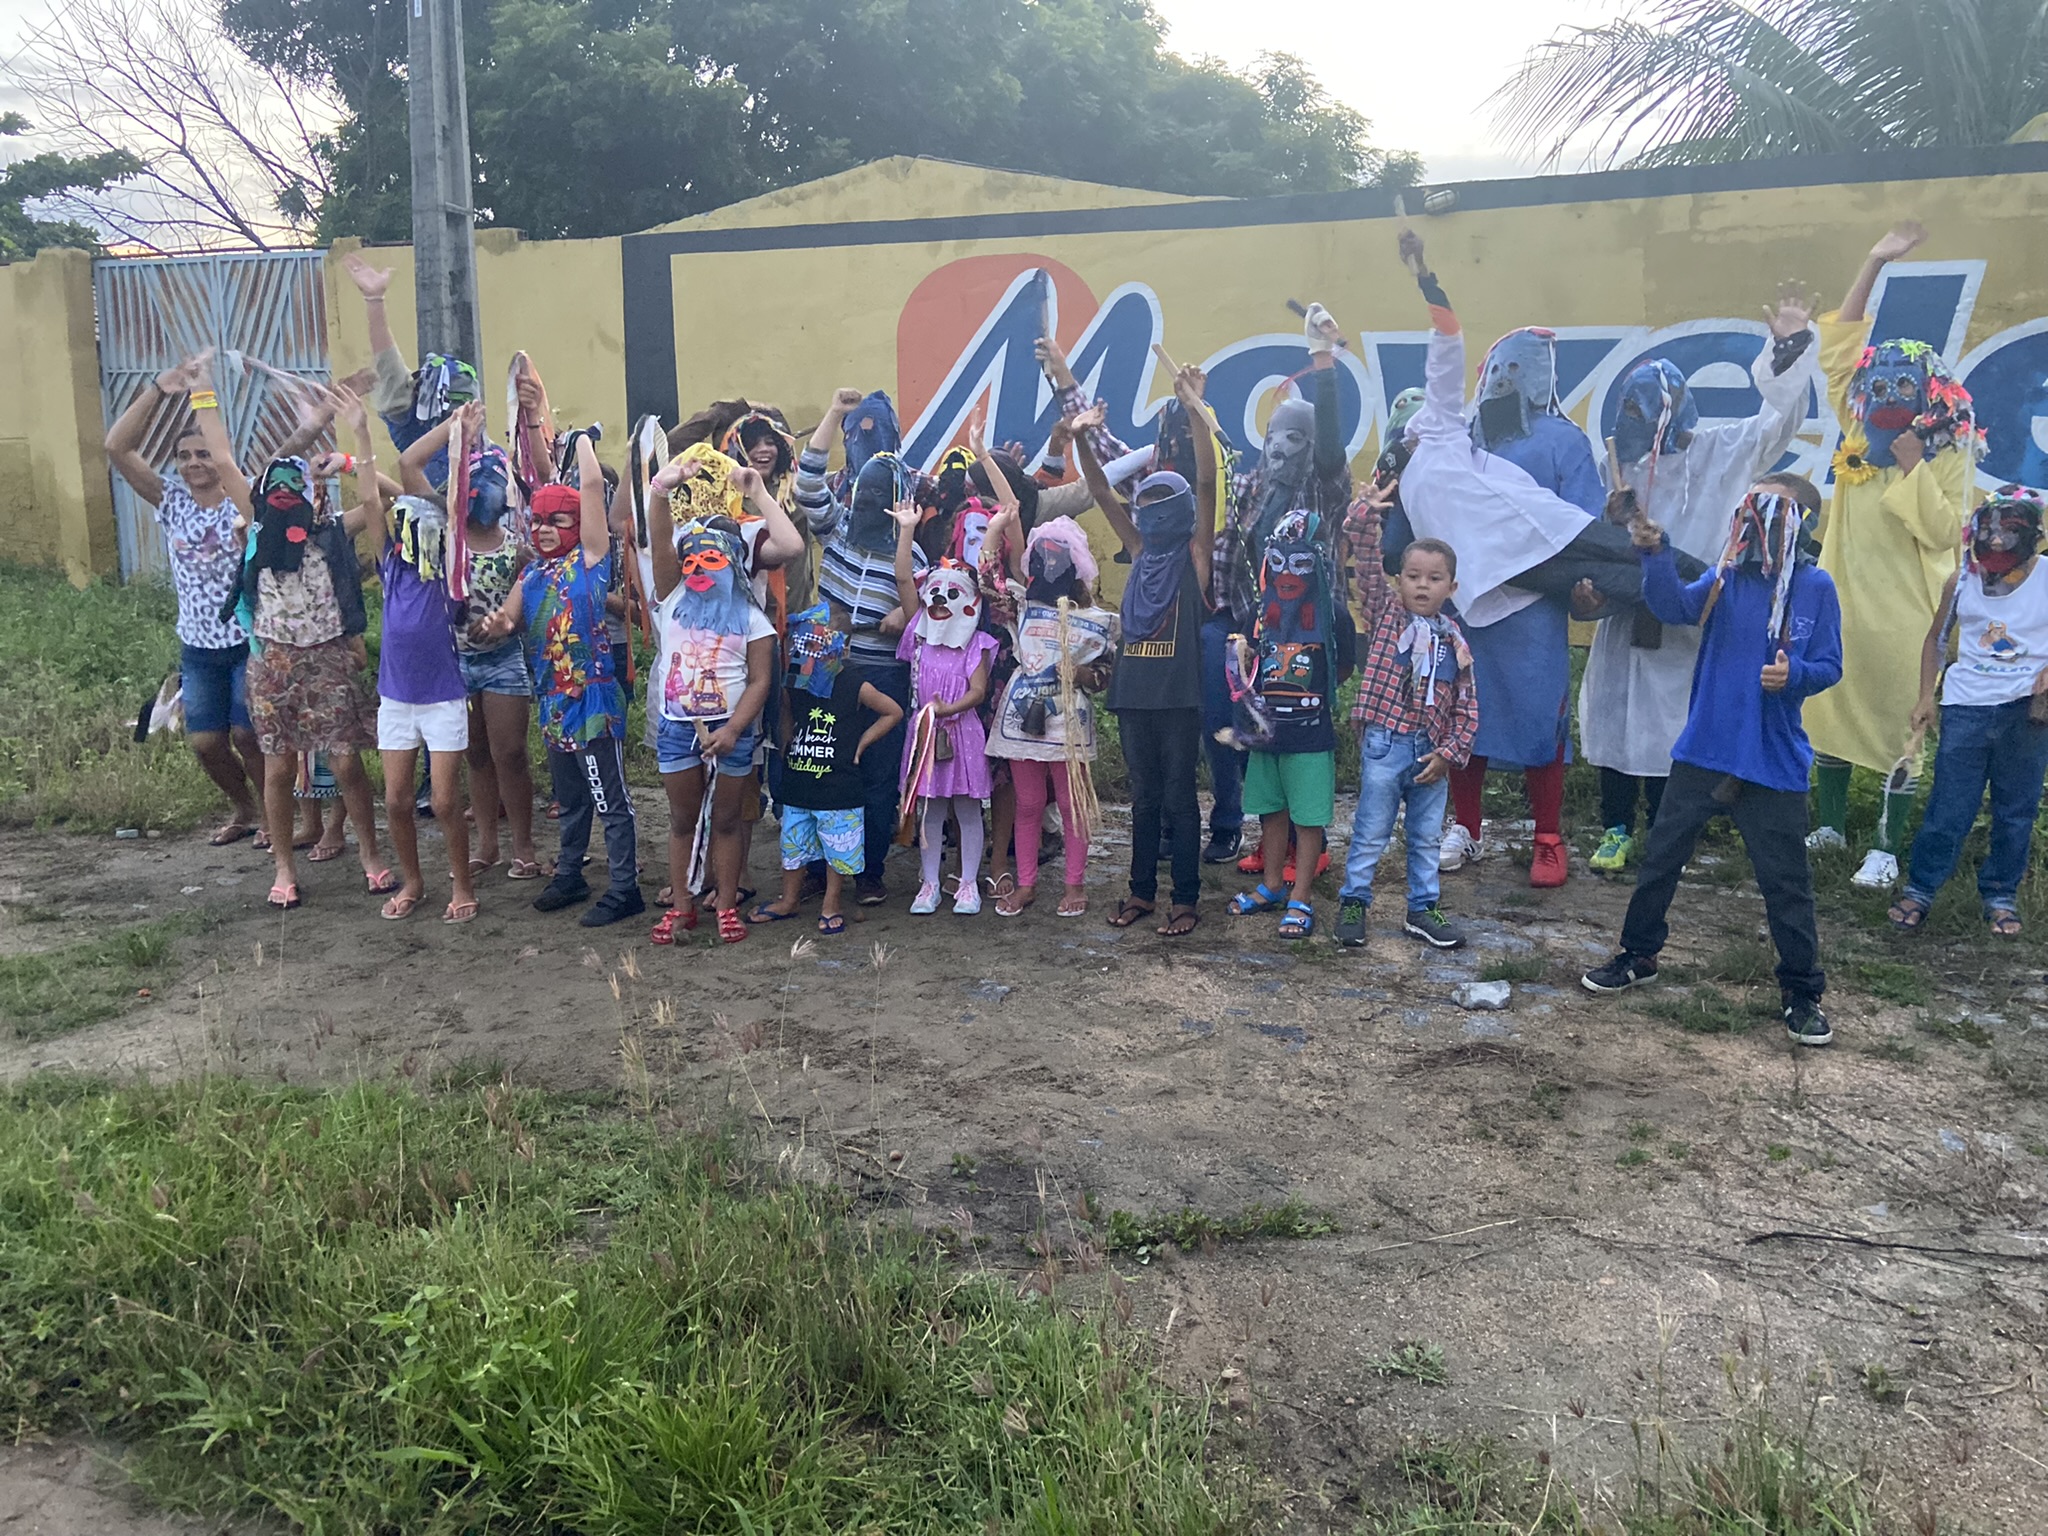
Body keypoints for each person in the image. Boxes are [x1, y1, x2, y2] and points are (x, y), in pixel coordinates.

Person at [1582, 475, 1843, 1048]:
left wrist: (1794, 675)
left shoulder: (1816, 587)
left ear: (1799, 525)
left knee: (1787, 883)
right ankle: (1638, 954)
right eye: (1749, 506)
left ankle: (1802, 991)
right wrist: (1655, 553)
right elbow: (1673, 605)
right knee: (1661, 859)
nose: (1753, 518)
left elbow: (1830, 664)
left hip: (1772, 760)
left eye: (1769, 509)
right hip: (1704, 748)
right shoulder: (1726, 576)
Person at [1389, 229, 1608, 888]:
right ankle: (1467, 827)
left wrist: (1586, 590)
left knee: (1539, 715)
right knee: (1464, 714)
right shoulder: (1456, 435)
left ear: (1544, 377)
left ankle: (1548, 836)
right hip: (1465, 603)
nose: (1509, 379)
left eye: (1523, 368)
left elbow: (1585, 525)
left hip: (1533, 606)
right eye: (1501, 367)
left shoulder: (1566, 441)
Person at [1581, 289, 1821, 873]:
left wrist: (1788, 349)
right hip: (1627, 615)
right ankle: (1615, 827)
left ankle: (1672, 829)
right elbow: (1591, 542)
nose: (1641, 422)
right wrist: (1602, 552)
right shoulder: (1616, 466)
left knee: (1675, 723)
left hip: (1691, 608)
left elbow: (1780, 421)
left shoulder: (1722, 452)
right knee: (1616, 717)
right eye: (1631, 410)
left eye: (1650, 410)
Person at [1803, 221, 1980, 889]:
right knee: (1832, 706)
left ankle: (1884, 847)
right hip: (1844, 593)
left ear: (1928, 392)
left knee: (1903, 722)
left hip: (1910, 611)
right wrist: (1874, 262)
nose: (1884, 395)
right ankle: (1829, 826)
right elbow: (1841, 348)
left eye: (1901, 386)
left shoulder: (1951, 447)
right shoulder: (1853, 424)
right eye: (1876, 385)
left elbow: (1945, 532)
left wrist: (1912, 468)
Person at [102, 353, 329, 850]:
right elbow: (116, 447)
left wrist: (317, 422)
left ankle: (273, 818)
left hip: (249, 639)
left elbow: (286, 453)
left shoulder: (242, 496)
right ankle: (245, 809)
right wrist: (159, 388)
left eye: (203, 454)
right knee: (206, 742)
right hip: (198, 647)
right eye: (184, 456)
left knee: (250, 735)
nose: (193, 463)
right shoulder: (170, 501)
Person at [201, 371, 388, 911]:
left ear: (315, 494)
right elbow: (223, 460)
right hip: (274, 663)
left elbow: (381, 501)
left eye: (297, 486)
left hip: (328, 657)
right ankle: (284, 867)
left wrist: (354, 450)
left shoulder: (331, 531)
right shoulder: (258, 526)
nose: (285, 494)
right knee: (279, 767)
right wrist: (200, 390)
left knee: (347, 764)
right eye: (275, 487)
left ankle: (371, 854)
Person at [476, 435, 642, 926]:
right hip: (552, 703)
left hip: (592, 701)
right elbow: (509, 620)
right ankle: (570, 873)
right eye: (539, 521)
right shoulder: (531, 576)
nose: (546, 530)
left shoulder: (590, 562)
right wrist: (495, 625)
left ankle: (625, 887)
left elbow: (590, 487)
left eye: (559, 521)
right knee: (570, 798)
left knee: (609, 798)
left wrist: (584, 442)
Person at [1078, 383, 1218, 938]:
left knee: (1180, 799)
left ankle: (1185, 898)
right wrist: (1080, 438)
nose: (1155, 511)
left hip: (1178, 699)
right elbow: (1098, 488)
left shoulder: (1195, 555)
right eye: (1148, 502)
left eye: (1165, 502)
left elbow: (1206, 482)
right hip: (1133, 696)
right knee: (1144, 801)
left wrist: (1195, 410)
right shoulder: (1138, 551)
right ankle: (1140, 891)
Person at [1222, 304, 1352, 884]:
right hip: (1264, 636)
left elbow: (1331, 447)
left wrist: (1321, 361)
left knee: (1306, 740)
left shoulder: (1325, 486)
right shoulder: (1251, 489)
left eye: (1296, 437)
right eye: (1275, 436)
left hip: (1315, 638)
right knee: (1262, 736)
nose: (1282, 448)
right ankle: (1273, 845)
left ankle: (1310, 847)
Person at [1889, 486, 2048, 938]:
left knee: (2015, 810)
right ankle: (1921, 889)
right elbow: (1936, 639)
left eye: (2009, 531)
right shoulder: (1960, 580)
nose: (1996, 540)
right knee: (1949, 806)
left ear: (2032, 535)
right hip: (1966, 707)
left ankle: (2000, 896)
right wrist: (1926, 696)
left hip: (2025, 710)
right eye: (1987, 530)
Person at [398, 402, 543, 883]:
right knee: (475, 755)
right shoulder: (445, 529)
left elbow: (534, 593)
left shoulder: (516, 540)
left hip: (502, 659)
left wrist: (508, 622)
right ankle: (487, 844)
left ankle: (523, 844)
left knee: (510, 754)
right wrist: (453, 430)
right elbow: (408, 464)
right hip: (453, 660)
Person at [356, 391, 477, 924]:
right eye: (402, 524)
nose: (408, 533)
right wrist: (361, 434)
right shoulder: (390, 567)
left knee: (446, 802)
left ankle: (462, 885)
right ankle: (414, 882)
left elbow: (444, 495)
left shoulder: (449, 573)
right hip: (396, 699)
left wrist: (458, 431)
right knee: (397, 801)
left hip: (443, 696)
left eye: (418, 524)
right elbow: (370, 498)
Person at [646, 484, 778, 946]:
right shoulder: (672, 601)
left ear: (734, 564)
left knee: (725, 821)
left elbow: (760, 681)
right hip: (678, 728)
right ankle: (682, 904)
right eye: (691, 561)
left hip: (731, 732)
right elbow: (659, 542)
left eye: (711, 559)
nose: (698, 568)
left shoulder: (753, 619)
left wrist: (735, 729)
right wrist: (660, 491)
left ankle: (725, 904)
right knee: (682, 819)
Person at [1336, 537, 1479, 949]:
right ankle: (1353, 903)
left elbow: (1467, 704)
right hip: (1385, 744)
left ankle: (1422, 909)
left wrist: (1448, 754)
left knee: (1426, 836)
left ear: (1451, 587)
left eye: (1434, 578)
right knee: (1370, 831)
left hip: (1431, 753)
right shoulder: (1386, 615)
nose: (1422, 585)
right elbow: (1366, 566)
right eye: (1413, 576)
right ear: (1398, 580)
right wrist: (1364, 517)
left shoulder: (1456, 642)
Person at [979, 508, 1119, 919]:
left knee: (1074, 805)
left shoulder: (1096, 620)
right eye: (1042, 558)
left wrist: (1083, 674)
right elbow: (987, 581)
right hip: (1023, 721)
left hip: (1069, 724)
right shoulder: (1021, 605)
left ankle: (1074, 884)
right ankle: (1027, 884)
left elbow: (1105, 674)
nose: (1049, 566)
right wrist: (994, 529)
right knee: (1028, 804)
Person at [805, 447, 926, 905]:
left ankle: (869, 872)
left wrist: (905, 613)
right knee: (823, 770)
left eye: (882, 492)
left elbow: (926, 615)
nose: (871, 498)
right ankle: (817, 870)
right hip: (825, 669)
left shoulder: (913, 555)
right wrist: (835, 414)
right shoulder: (836, 531)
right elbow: (808, 486)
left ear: (899, 500)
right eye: (866, 489)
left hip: (883, 676)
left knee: (877, 775)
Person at [1226, 503, 1348, 939]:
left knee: (1308, 818)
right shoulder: (1259, 615)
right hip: (1267, 735)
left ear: (1318, 562)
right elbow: (1245, 664)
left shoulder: (1333, 615)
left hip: (1311, 736)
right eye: (1278, 560)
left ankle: (1302, 895)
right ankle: (1273, 884)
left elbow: (1342, 668)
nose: (1287, 572)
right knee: (1270, 811)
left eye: (1300, 562)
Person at [749, 604, 904, 934]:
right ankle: (789, 899)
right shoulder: (797, 678)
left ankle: (832, 902)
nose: (813, 653)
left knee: (839, 847)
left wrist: (863, 742)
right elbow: (786, 707)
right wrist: (787, 739)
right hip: (799, 780)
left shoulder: (854, 683)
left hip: (840, 787)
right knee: (793, 843)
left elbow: (893, 712)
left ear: (842, 648)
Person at [890, 503, 998, 915]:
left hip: (961, 731)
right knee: (930, 809)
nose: (940, 599)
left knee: (968, 809)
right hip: (925, 733)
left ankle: (968, 883)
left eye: (953, 594)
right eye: (935, 592)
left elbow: (979, 690)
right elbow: (904, 578)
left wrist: (949, 708)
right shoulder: (919, 632)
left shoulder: (977, 644)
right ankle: (930, 883)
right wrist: (907, 530)